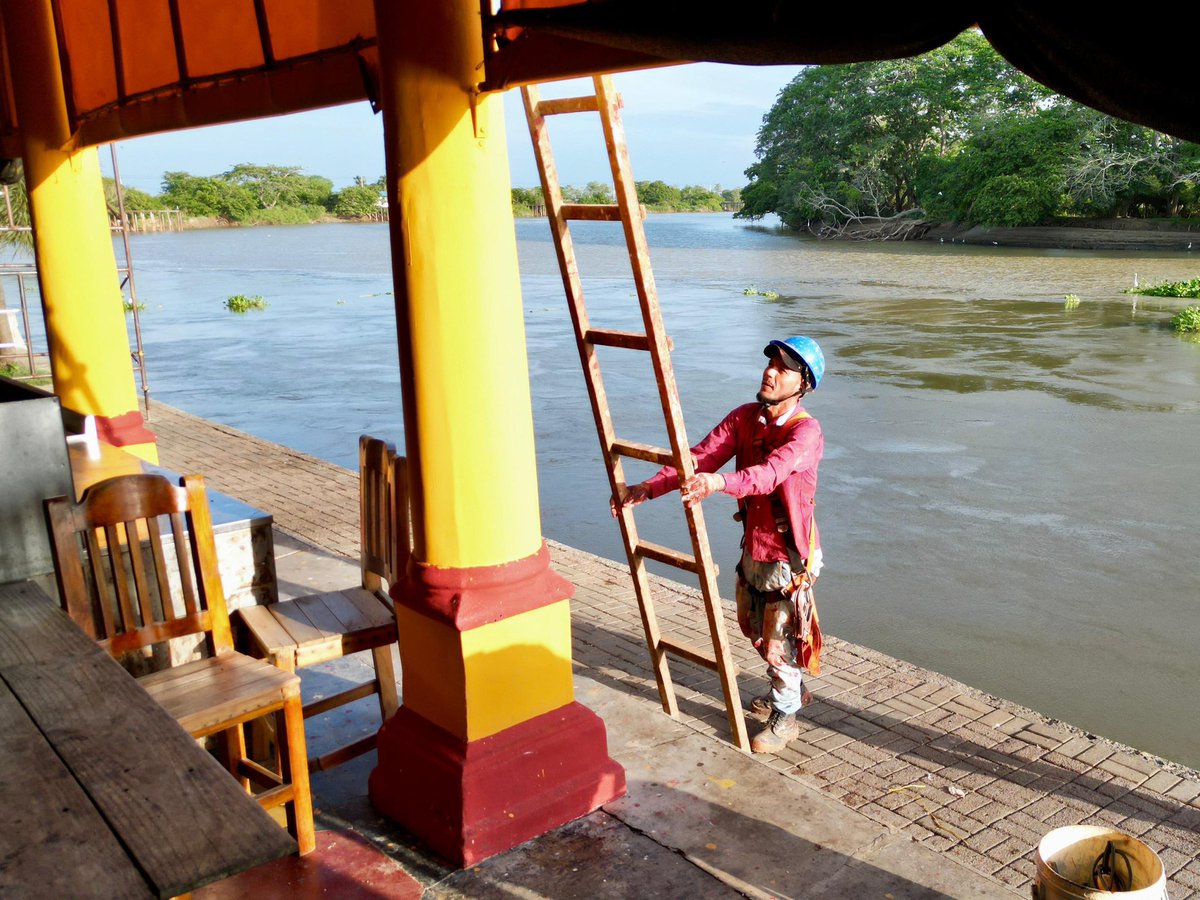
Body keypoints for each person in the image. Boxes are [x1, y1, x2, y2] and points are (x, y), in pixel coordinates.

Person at [611, 336, 825, 754]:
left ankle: (786, 716)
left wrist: (719, 483)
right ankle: (791, 692)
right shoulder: (746, 418)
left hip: (788, 554)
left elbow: (768, 474)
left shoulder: (806, 433)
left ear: (802, 384)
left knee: (779, 639)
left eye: (783, 367)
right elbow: (700, 458)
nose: (770, 371)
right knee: (754, 628)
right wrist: (648, 488)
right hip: (754, 547)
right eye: (771, 363)